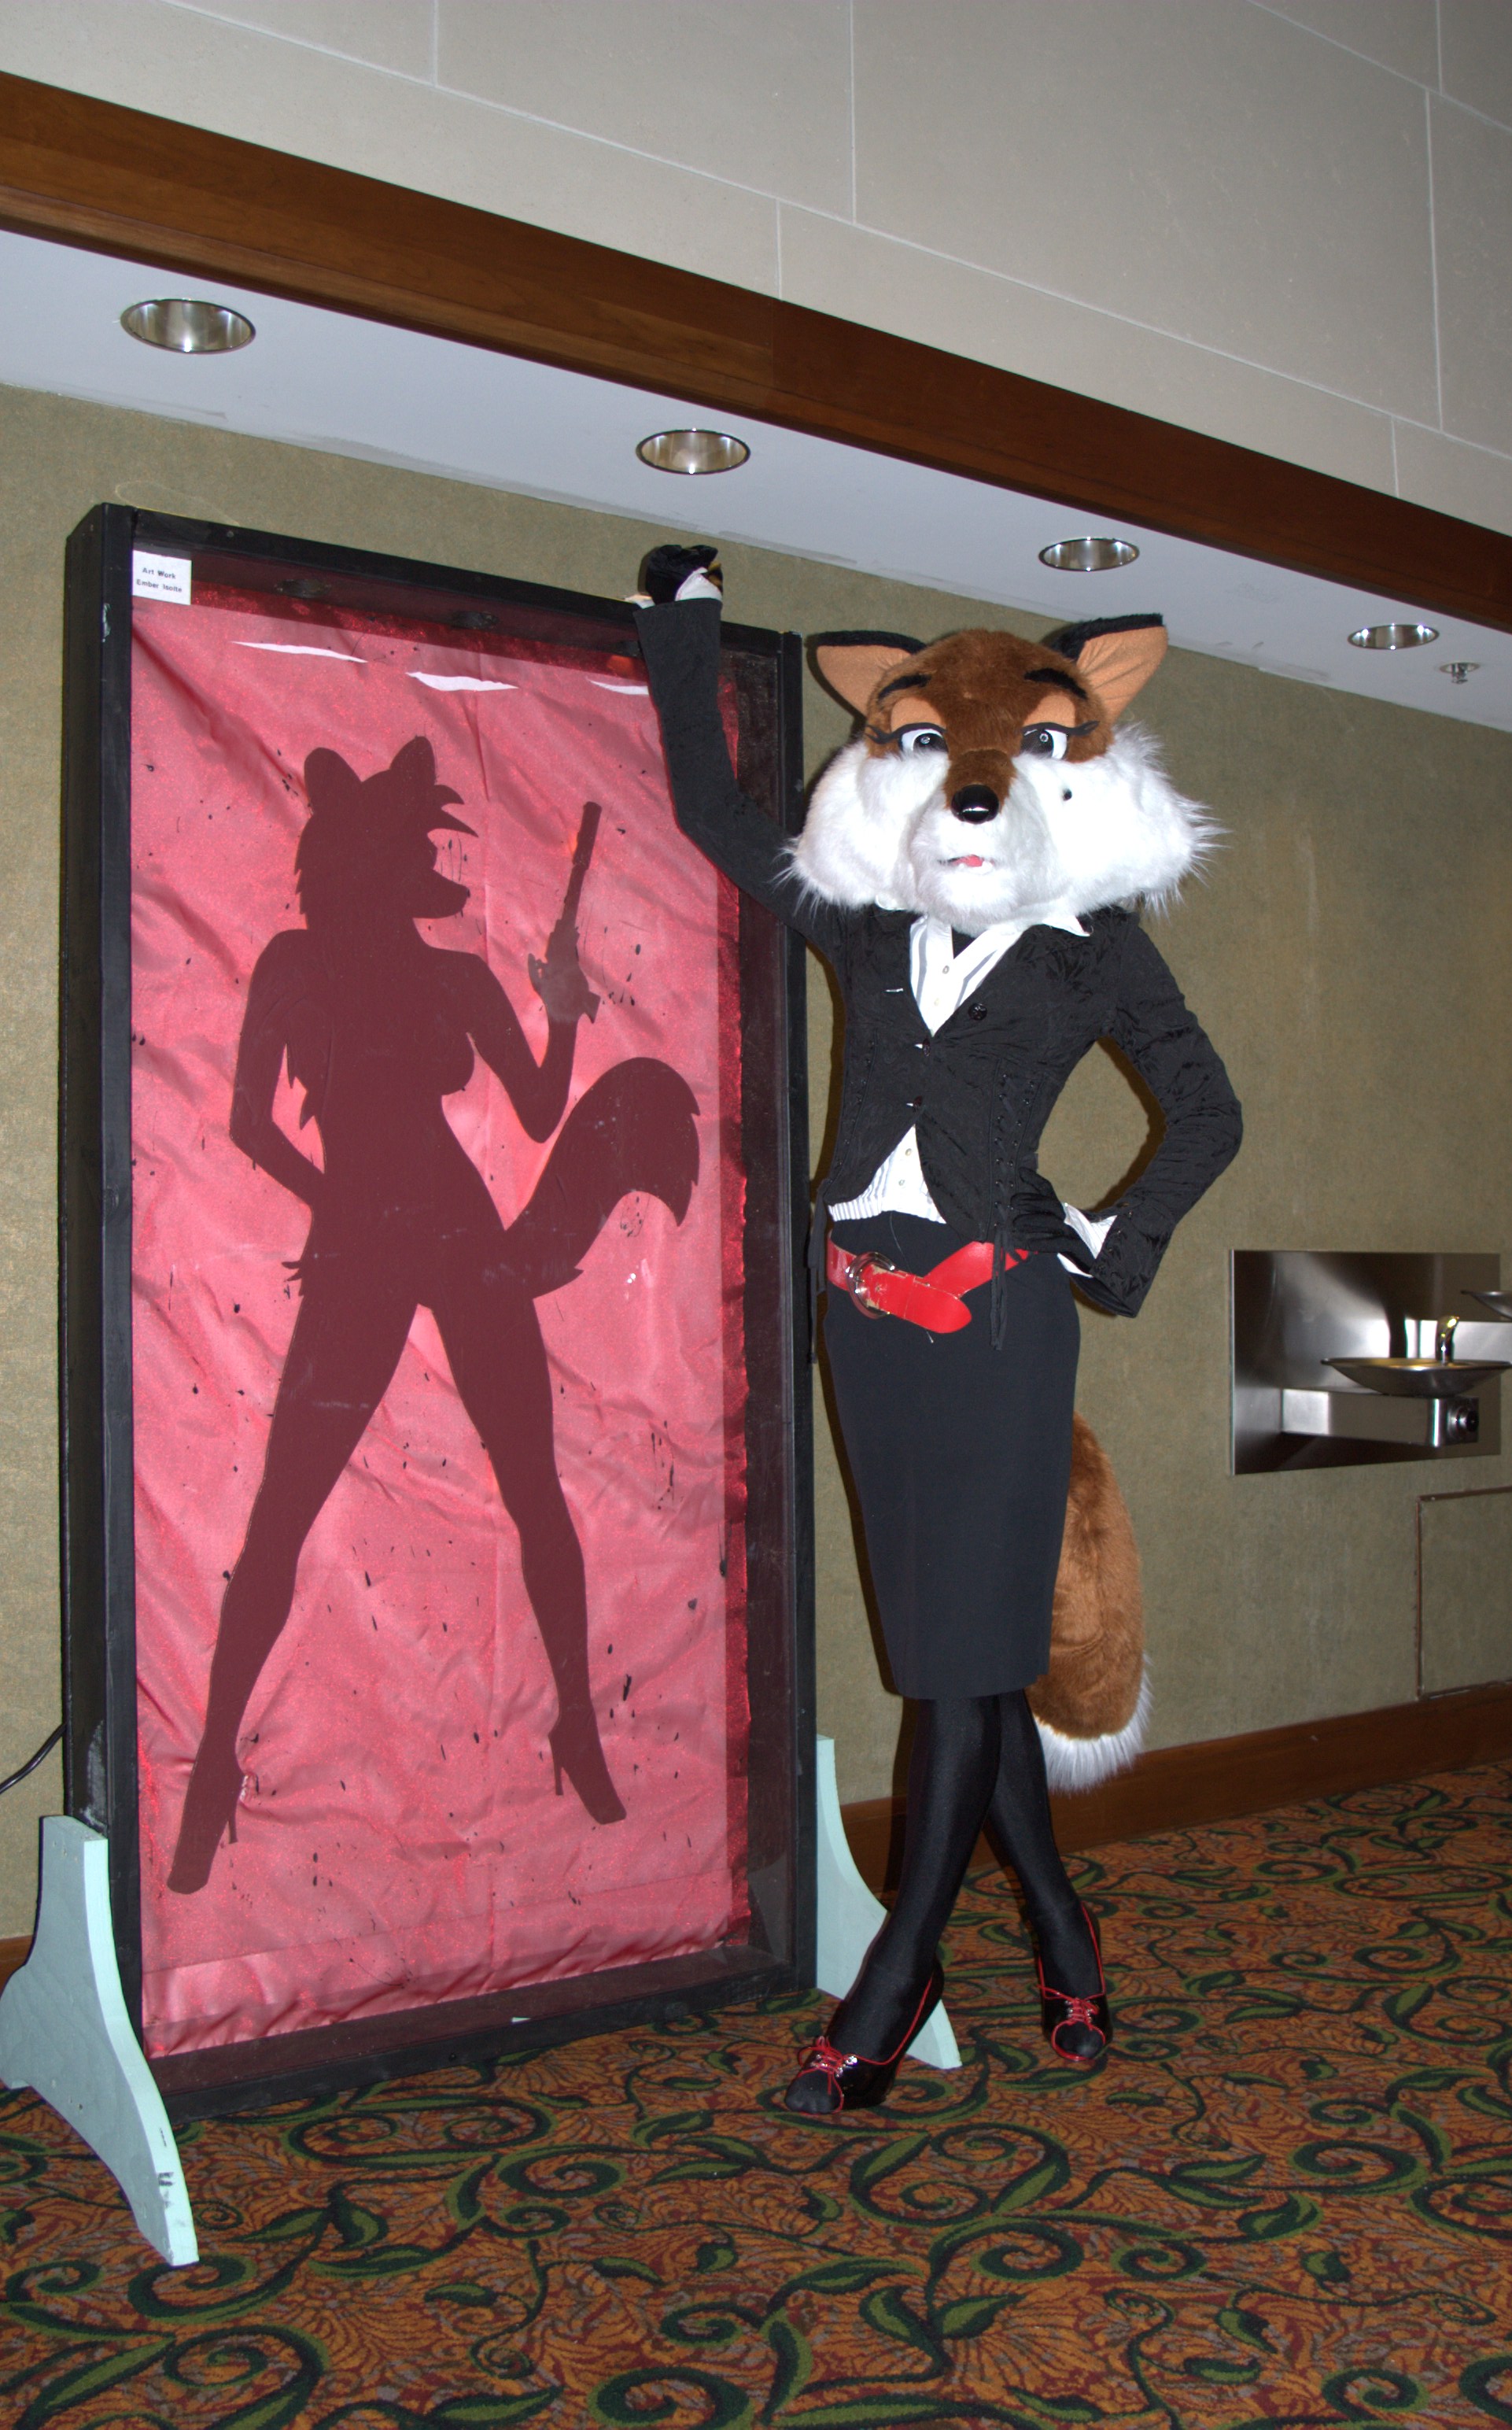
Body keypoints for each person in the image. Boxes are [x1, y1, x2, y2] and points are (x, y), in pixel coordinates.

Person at [632, 547, 1241, 2114]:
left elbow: (1208, 1110)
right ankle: (1063, 1931)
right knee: (958, 1663)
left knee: (958, 1668)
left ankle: (896, 1979)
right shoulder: (863, 922)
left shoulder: (1094, 941)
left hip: (998, 1325)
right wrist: (684, 626)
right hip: (868, 1330)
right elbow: (711, 811)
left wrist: (1107, 1238)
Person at [167, 736, 695, 1893]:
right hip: (369, 1248)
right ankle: (212, 1768)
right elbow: (253, 1124)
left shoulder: (457, 979)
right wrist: (335, 1209)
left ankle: (576, 1726)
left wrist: (562, 1011)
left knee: (534, 1488)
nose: (434, 867)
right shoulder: (297, 963)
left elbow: (543, 1109)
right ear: (365, 862)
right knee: (283, 1513)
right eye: (414, 849)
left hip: (459, 1239)